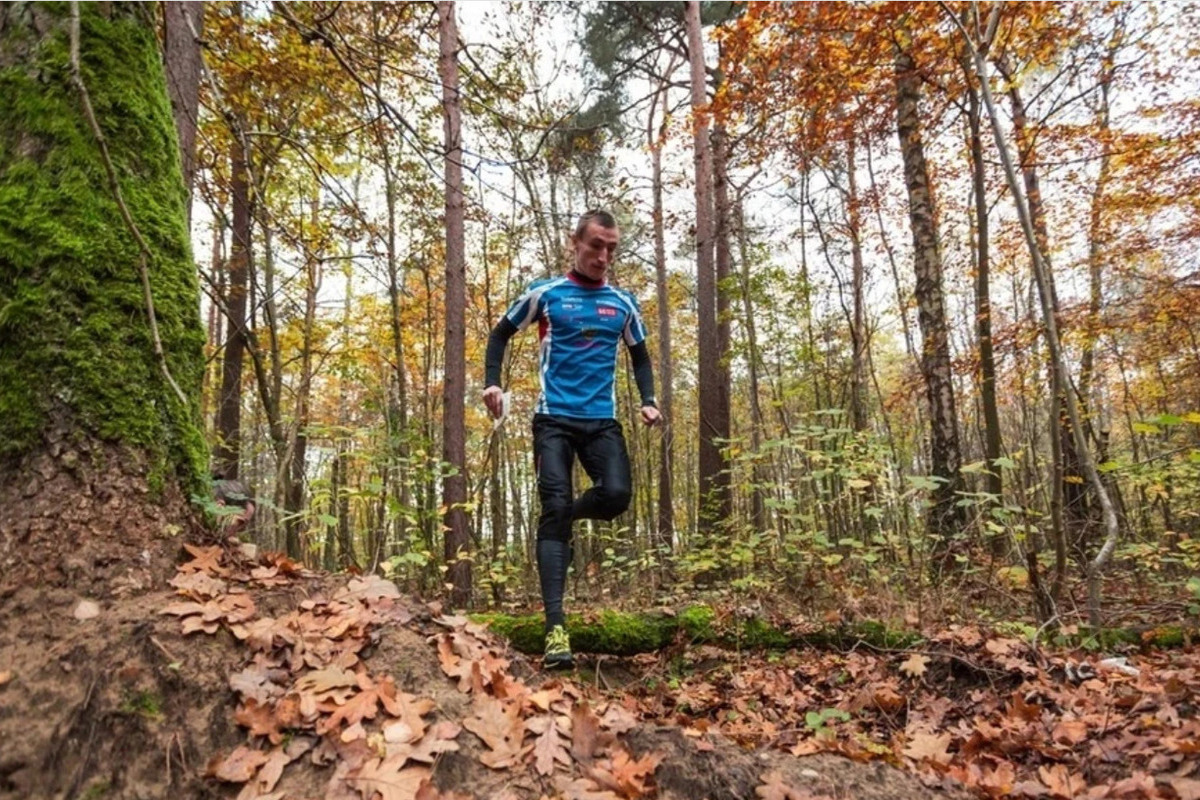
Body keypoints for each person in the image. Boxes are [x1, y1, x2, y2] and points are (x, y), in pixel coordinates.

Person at [483, 209, 660, 668]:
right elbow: (500, 334)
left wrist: (648, 399)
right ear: (575, 242)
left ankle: (568, 518)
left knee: (616, 495)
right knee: (554, 504)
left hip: (601, 420)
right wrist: (492, 383)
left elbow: (640, 355)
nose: (603, 256)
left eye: (611, 248)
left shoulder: (622, 303)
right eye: (596, 245)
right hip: (553, 420)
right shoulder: (545, 294)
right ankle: (556, 629)